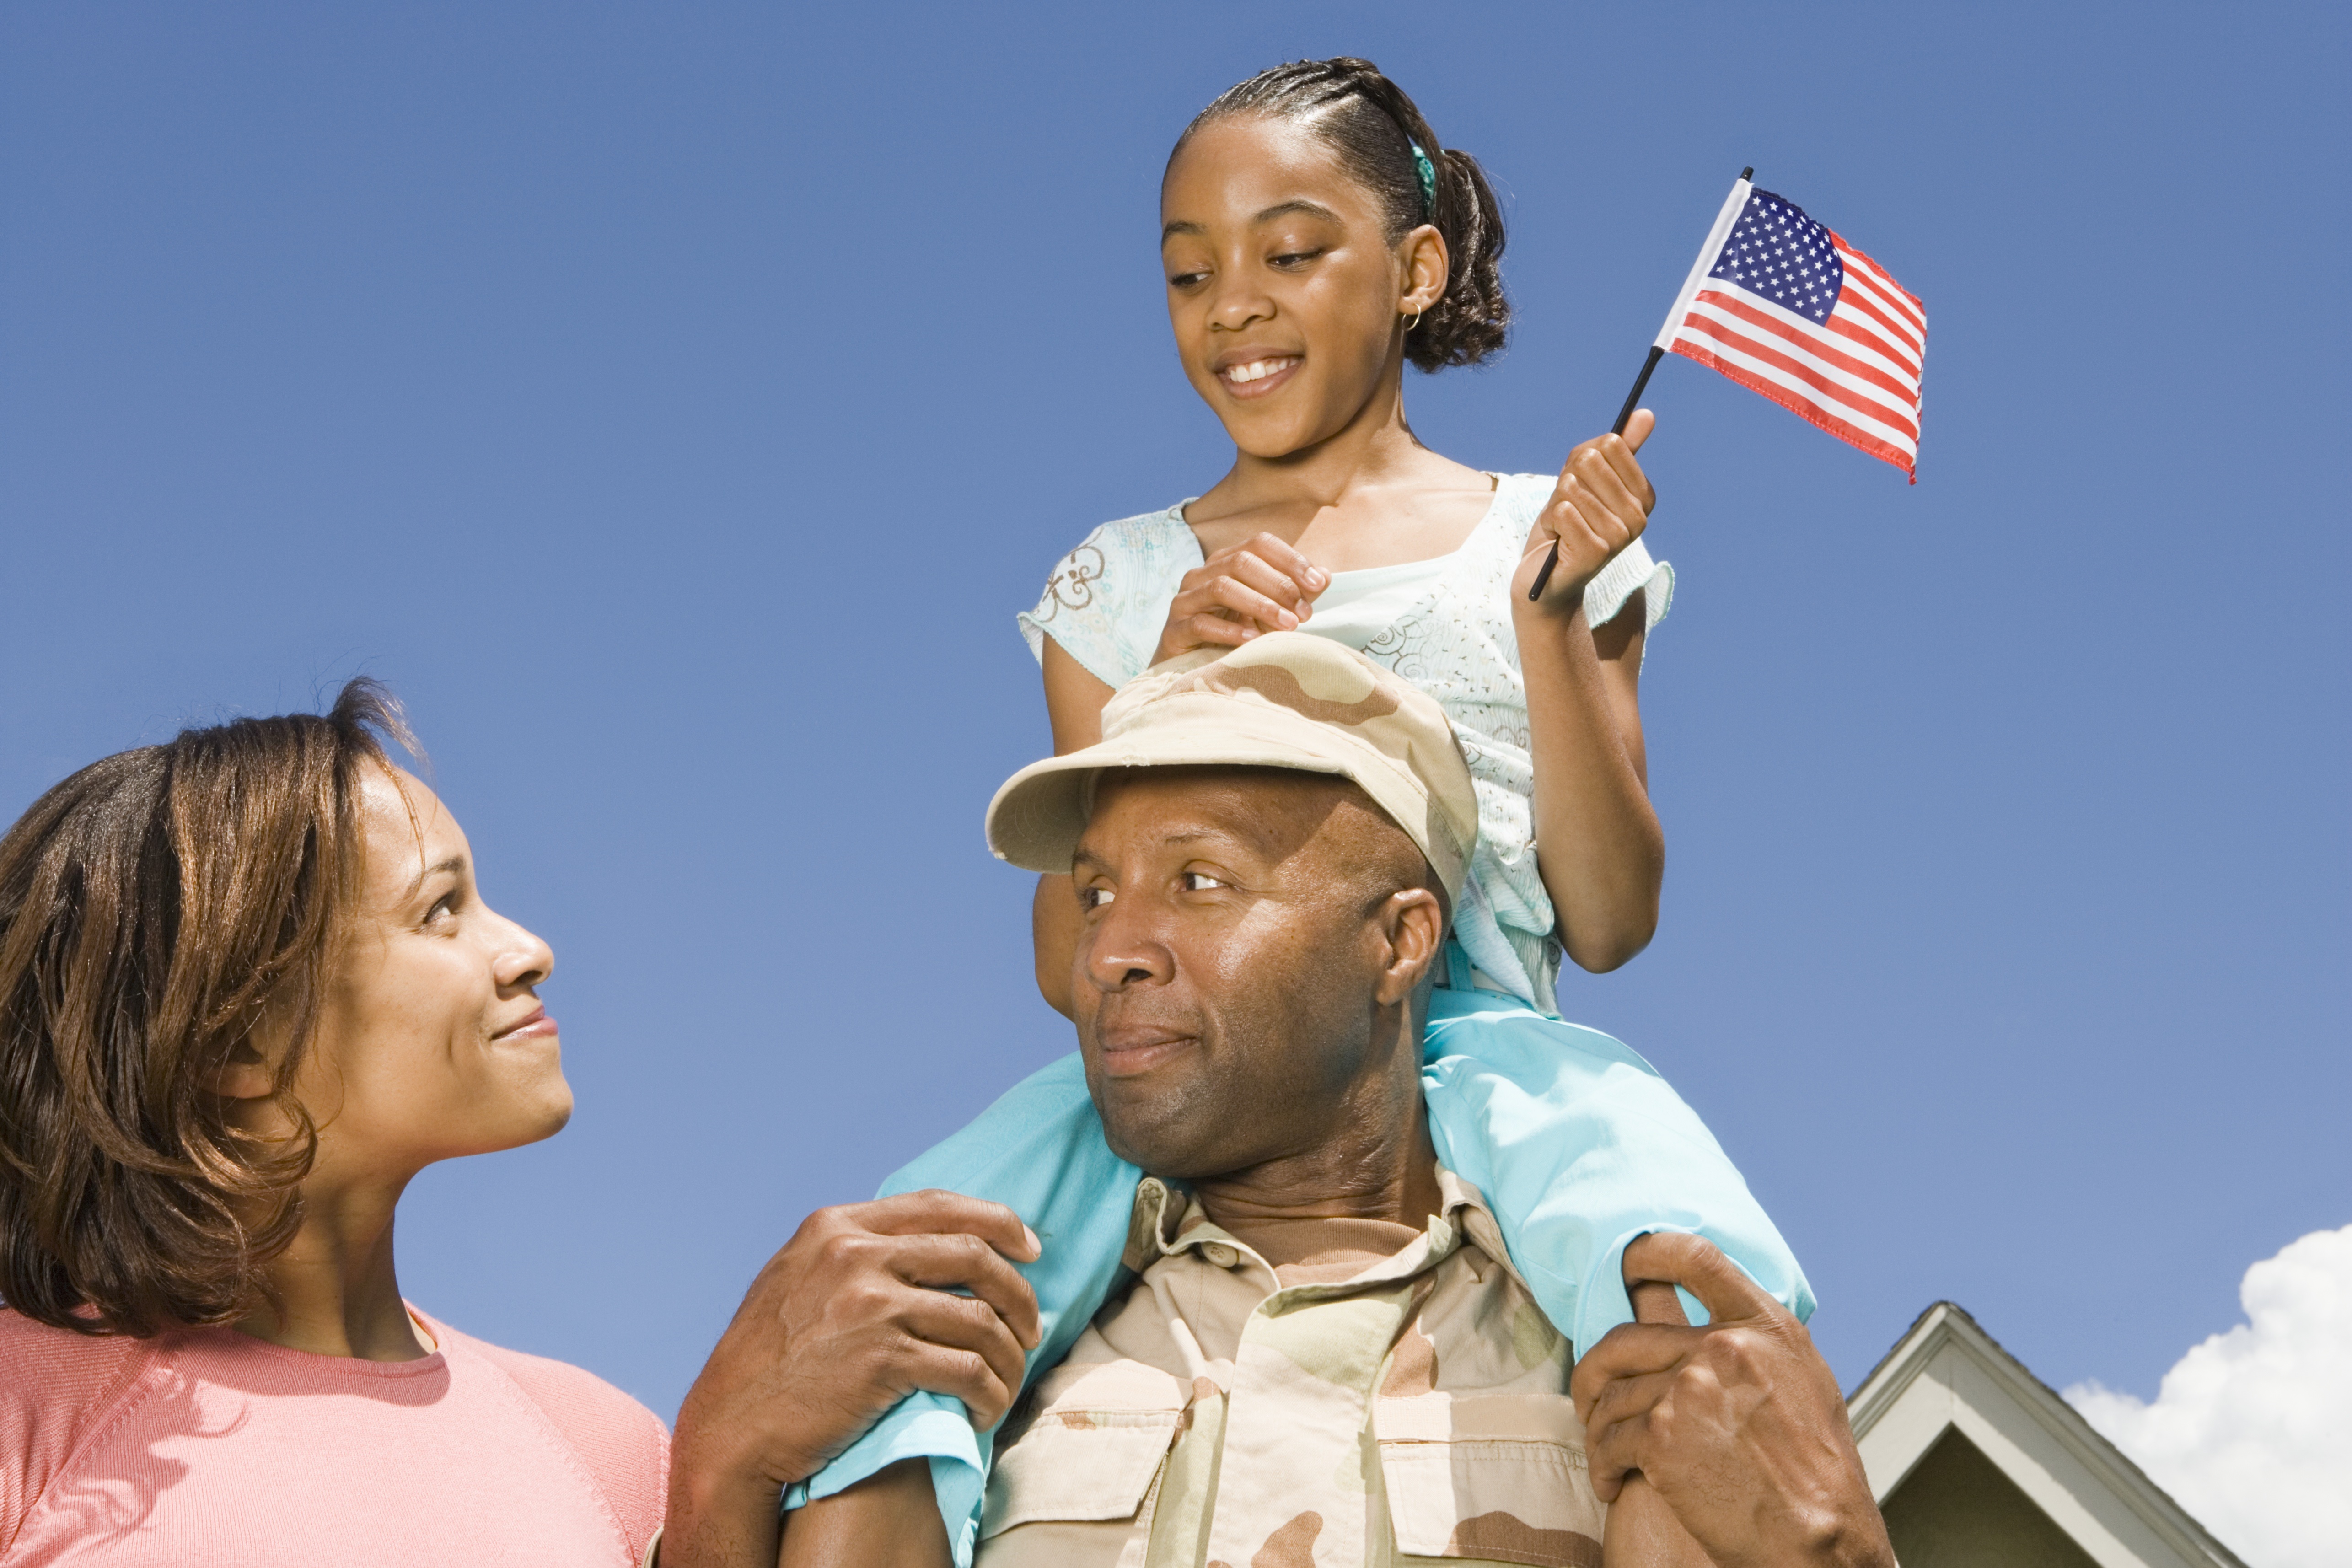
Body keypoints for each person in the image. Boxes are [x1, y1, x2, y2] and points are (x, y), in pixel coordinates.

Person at [801, 59, 1812, 1557]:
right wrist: (1159, 687)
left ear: (1414, 269)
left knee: (1668, 1241)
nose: (1232, 305)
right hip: (1192, 1066)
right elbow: (1070, 946)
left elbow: (1608, 915)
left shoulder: (1539, 533)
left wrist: (1546, 623)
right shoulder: (1117, 580)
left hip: (1480, 1047)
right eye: (1188, 271)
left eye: (1289, 252)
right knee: (905, 1277)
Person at [662, 633, 1892, 1567]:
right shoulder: (958, 1345)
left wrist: (1834, 1551)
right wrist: (716, 1479)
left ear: (1399, 940)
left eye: (1198, 880)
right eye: (1095, 892)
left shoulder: (1630, 1343)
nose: (1110, 951)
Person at [0, 684, 673, 1565]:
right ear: (233, 1044)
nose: (528, 950)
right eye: (441, 911)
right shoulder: (23, 1409)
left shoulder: (606, 1446)